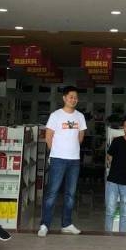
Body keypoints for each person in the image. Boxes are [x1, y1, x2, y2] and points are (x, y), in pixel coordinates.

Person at [37, 86, 87, 237]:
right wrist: (57, 152)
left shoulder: (80, 116)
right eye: (71, 97)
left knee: (70, 194)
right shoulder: (56, 115)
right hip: (58, 159)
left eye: (75, 97)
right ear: (64, 98)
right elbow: (48, 136)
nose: (73, 100)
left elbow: (80, 137)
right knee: (52, 193)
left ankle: (66, 224)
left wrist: (71, 149)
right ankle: (44, 225)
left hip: (74, 160)